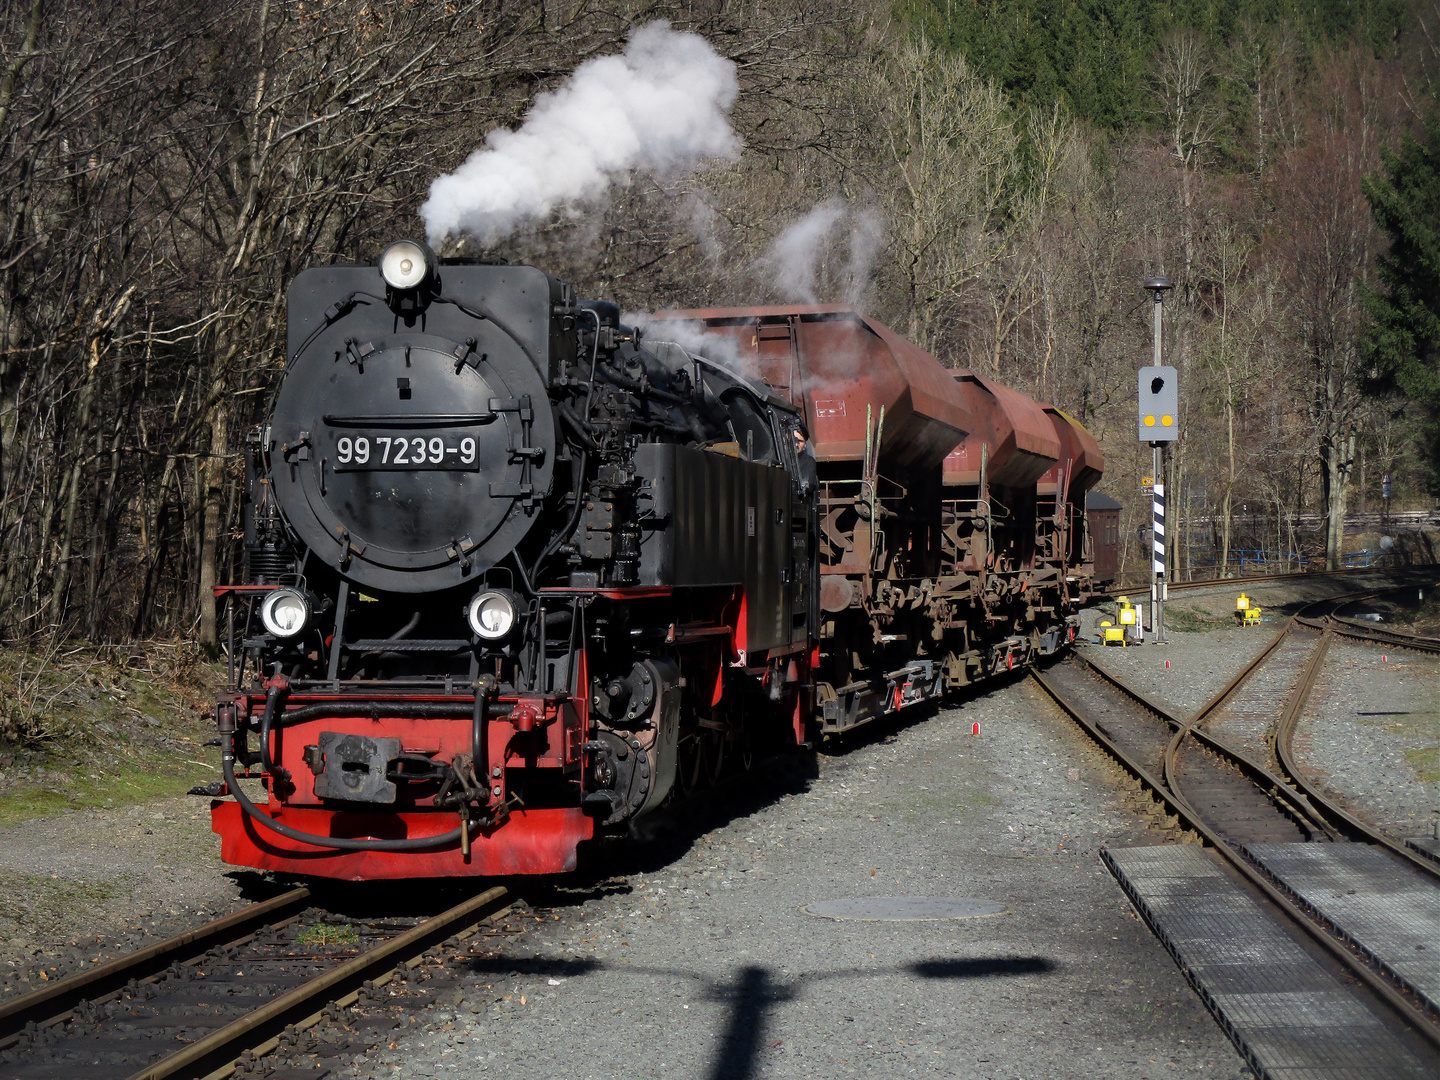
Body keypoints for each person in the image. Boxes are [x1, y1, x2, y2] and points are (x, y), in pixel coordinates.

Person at [793, 421, 818, 494]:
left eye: (800, 441)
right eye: (794, 440)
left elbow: (808, 486)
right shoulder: (777, 459)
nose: (796, 444)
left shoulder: (809, 461)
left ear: (805, 444)